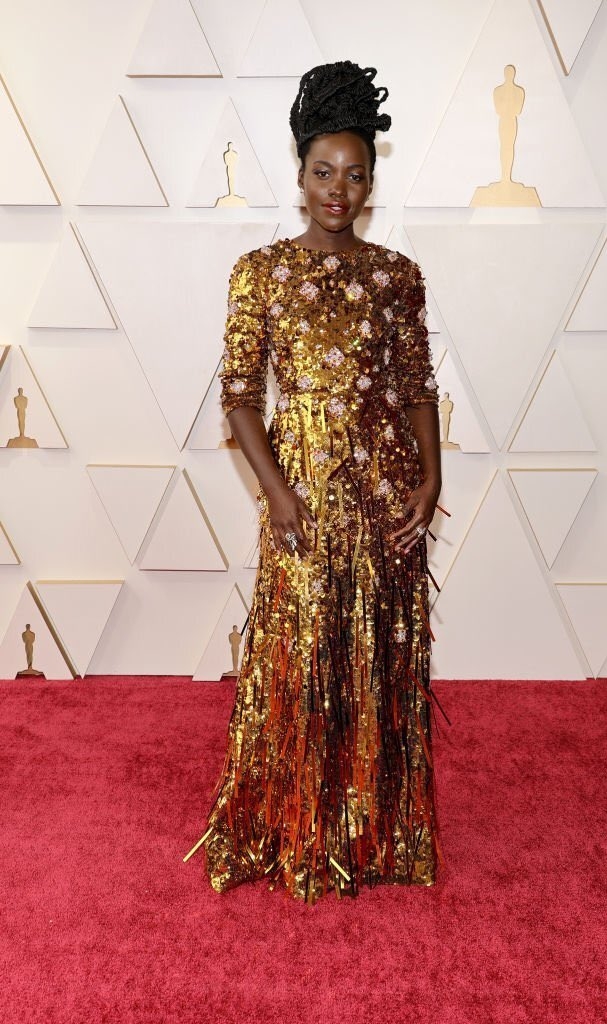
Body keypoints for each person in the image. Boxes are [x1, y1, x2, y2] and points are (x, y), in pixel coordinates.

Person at [194, 60, 446, 903]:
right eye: (323, 172)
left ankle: (372, 830)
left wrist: (430, 478)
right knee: (299, 659)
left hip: (384, 498)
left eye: (356, 175)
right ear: (299, 176)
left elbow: (415, 387)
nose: (339, 189)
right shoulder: (258, 273)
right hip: (299, 493)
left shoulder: (396, 275)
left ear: (371, 184)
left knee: (377, 652)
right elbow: (236, 399)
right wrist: (274, 492)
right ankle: (294, 823)